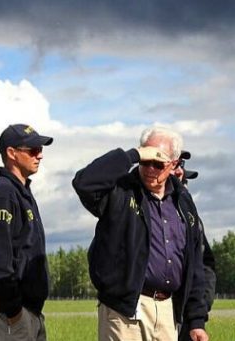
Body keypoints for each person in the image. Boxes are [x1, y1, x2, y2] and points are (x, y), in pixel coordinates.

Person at [72, 127, 209, 341]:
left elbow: (194, 264)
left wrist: (196, 320)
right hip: (125, 310)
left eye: (158, 163)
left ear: (174, 164)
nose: (150, 169)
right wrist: (131, 155)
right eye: (146, 161)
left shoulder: (183, 201)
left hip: (167, 310)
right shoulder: (121, 191)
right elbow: (84, 183)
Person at [0, 124, 54, 341]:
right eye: (33, 150)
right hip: (7, 315)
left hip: (27, 312)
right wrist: (14, 312)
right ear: (11, 153)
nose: (40, 155)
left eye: (41, 150)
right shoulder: (2, 196)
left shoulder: (20, 193)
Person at [173, 150, 217, 341]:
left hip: (187, 311)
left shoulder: (192, 220)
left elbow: (205, 265)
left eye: (185, 179)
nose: (184, 183)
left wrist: (200, 304)